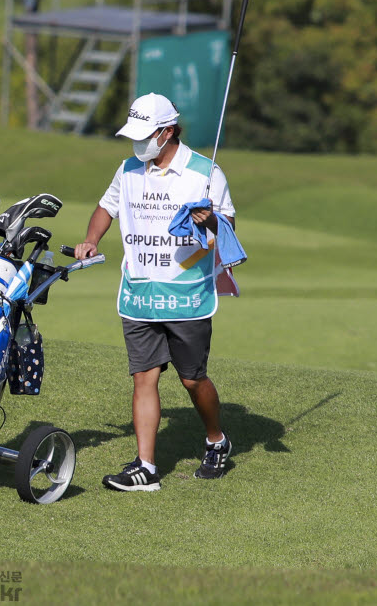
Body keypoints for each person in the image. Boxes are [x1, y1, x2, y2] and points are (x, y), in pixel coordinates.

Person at [73, 92, 235, 491]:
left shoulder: (206, 172)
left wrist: (209, 218)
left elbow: (228, 232)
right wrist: (91, 239)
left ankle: (216, 439)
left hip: (186, 293)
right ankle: (145, 466)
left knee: (192, 379)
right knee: (143, 377)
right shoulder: (128, 168)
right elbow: (106, 208)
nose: (138, 143)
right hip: (140, 291)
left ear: (166, 132)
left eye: (146, 135)